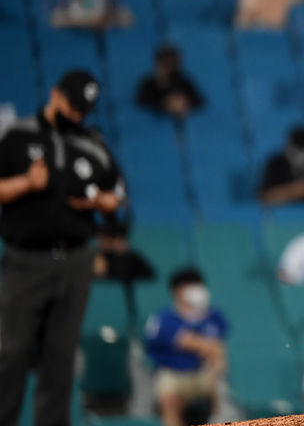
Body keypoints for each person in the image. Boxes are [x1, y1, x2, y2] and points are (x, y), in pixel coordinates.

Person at [0, 71, 126, 426]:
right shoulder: (17, 135)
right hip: (25, 261)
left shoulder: (92, 142)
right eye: (72, 104)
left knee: (60, 356)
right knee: (10, 353)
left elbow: (116, 194)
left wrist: (104, 201)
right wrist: (25, 182)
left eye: (83, 108)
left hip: (74, 259)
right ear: (55, 95)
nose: (76, 114)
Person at [144, 268, 228, 426]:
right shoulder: (164, 317)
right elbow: (189, 342)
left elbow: (218, 349)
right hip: (174, 374)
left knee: (218, 373)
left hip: (203, 373)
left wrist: (210, 352)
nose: (196, 290)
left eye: (198, 285)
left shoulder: (214, 315)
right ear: (176, 291)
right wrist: (206, 346)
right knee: (169, 395)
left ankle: (218, 417)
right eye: (190, 285)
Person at [136, 44, 205, 119]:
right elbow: (141, 105)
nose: (171, 67)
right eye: (167, 63)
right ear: (158, 64)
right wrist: (165, 104)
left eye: (175, 63)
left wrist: (186, 103)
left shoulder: (183, 81)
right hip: (156, 123)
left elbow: (200, 102)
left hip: (181, 125)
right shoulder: (148, 84)